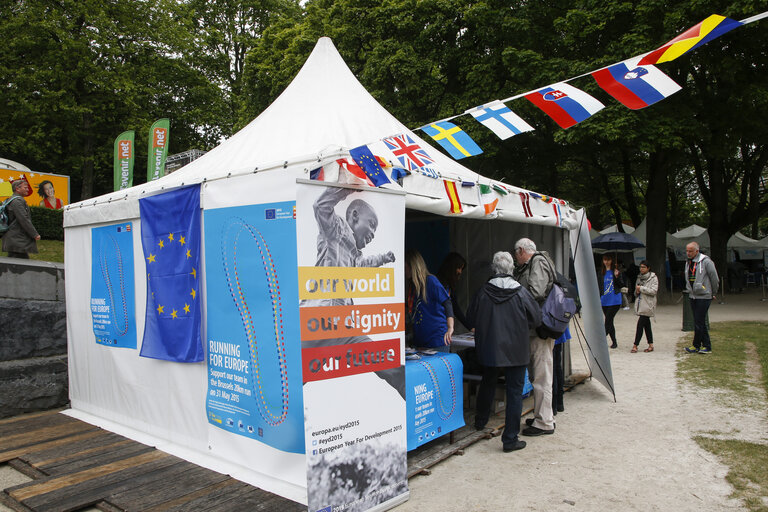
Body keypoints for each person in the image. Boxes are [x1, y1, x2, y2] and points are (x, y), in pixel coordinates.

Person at [466, 251, 541, 452]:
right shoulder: (521, 292)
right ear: (511, 269)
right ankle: (510, 439)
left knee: (488, 382)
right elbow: (536, 318)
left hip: (489, 348)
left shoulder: (482, 292)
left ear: (494, 269)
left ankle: (480, 422)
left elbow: (470, 318)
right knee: (515, 393)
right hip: (516, 351)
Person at [513, 237, 556, 436]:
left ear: (521, 250)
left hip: (540, 330)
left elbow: (536, 292)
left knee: (541, 376)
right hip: (537, 329)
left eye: (516, 253)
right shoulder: (538, 261)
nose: (515, 258)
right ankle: (542, 416)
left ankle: (544, 422)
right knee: (539, 374)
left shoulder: (537, 262)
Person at [406, 249, 454, 352]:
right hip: (420, 342)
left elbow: (447, 302)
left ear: (413, 266)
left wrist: (450, 327)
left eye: (405, 267)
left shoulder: (431, 281)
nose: (404, 271)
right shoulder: (411, 287)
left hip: (437, 341)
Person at [684, 242, 719, 354]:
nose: (688, 253)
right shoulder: (688, 262)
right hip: (693, 295)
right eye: (687, 251)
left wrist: (713, 292)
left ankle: (698, 345)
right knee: (699, 321)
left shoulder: (706, 262)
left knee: (699, 322)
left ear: (697, 251)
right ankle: (705, 346)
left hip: (704, 295)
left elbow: (714, 278)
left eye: (690, 251)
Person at [1, 179, 40, 258]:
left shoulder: (12, 200)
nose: (27, 189)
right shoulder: (17, 201)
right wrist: (34, 234)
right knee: (19, 265)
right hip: (18, 239)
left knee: (15, 264)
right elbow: (23, 219)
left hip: (14, 239)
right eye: (25, 187)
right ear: (17, 189)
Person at [436, 252, 469, 330]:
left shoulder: (448, 285)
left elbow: (455, 307)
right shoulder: (438, 284)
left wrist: (469, 326)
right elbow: (454, 307)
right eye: (459, 268)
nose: (460, 272)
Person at [631, 260, 658, 353]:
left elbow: (654, 291)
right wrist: (637, 291)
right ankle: (651, 344)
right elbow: (635, 291)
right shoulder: (639, 278)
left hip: (648, 304)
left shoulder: (653, 278)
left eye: (643, 267)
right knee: (646, 325)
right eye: (640, 267)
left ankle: (635, 345)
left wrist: (641, 289)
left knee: (640, 324)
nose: (641, 269)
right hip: (640, 303)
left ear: (648, 268)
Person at [599, 254, 625, 349]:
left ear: (612, 261)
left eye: (608, 260)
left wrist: (617, 277)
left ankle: (601, 340)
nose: (606, 262)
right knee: (610, 322)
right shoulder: (601, 272)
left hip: (614, 300)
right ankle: (614, 342)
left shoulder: (616, 271)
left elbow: (622, 284)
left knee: (608, 320)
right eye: (605, 260)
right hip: (604, 300)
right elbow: (599, 285)